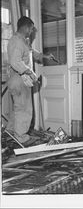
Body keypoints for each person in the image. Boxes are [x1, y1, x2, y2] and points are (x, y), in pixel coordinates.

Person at [6, 16, 54, 145]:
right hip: (19, 79)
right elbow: (15, 62)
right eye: (31, 29)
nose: (32, 31)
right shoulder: (16, 41)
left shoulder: (23, 41)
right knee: (24, 109)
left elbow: (31, 52)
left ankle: (11, 132)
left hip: (20, 78)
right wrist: (31, 73)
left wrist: (44, 56)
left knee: (17, 108)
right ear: (26, 27)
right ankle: (21, 137)